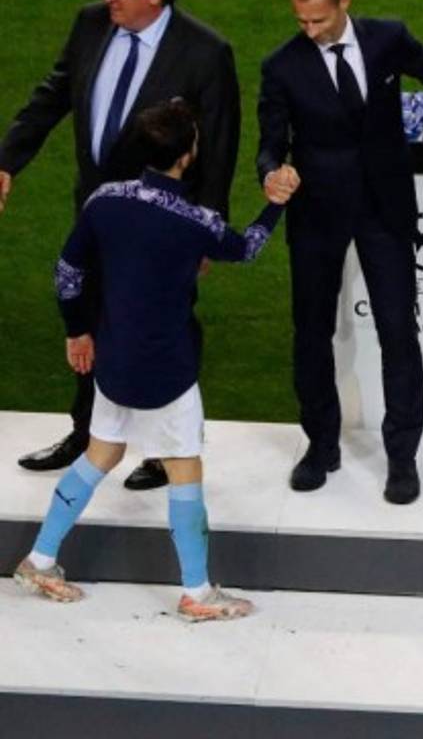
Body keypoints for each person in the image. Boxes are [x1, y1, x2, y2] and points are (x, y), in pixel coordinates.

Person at [12, 99, 288, 621]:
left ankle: (40, 558)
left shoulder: (104, 200)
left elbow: (67, 275)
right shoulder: (196, 221)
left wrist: (78, 332)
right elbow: (247, 247)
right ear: (187, 156)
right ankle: (197, 592)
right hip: (167, 368)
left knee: (102, 453)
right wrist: (276, 203)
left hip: (113, 359)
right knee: (185, 468)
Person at [0, 0, 241, 493]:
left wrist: (206, 230)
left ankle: (165, 452)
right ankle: (86, 433)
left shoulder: (205, 52)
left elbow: (221, 145)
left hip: (163, 221)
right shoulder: (91, 24)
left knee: (164, 323)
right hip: (97, 211)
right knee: (87, 313)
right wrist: (8, 160)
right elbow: (52, 95)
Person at [256, 0, 423, 504]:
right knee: (311, 332)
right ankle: (321, 445)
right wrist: (271, 173)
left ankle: (402, 456)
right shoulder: (282, 66)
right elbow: (269, 140)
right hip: (316, 215)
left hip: (384, 208)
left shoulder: (387, 39)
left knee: (399, 332)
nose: (311, 32)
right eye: (303, 22)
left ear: (344, 2)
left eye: (320, 20)